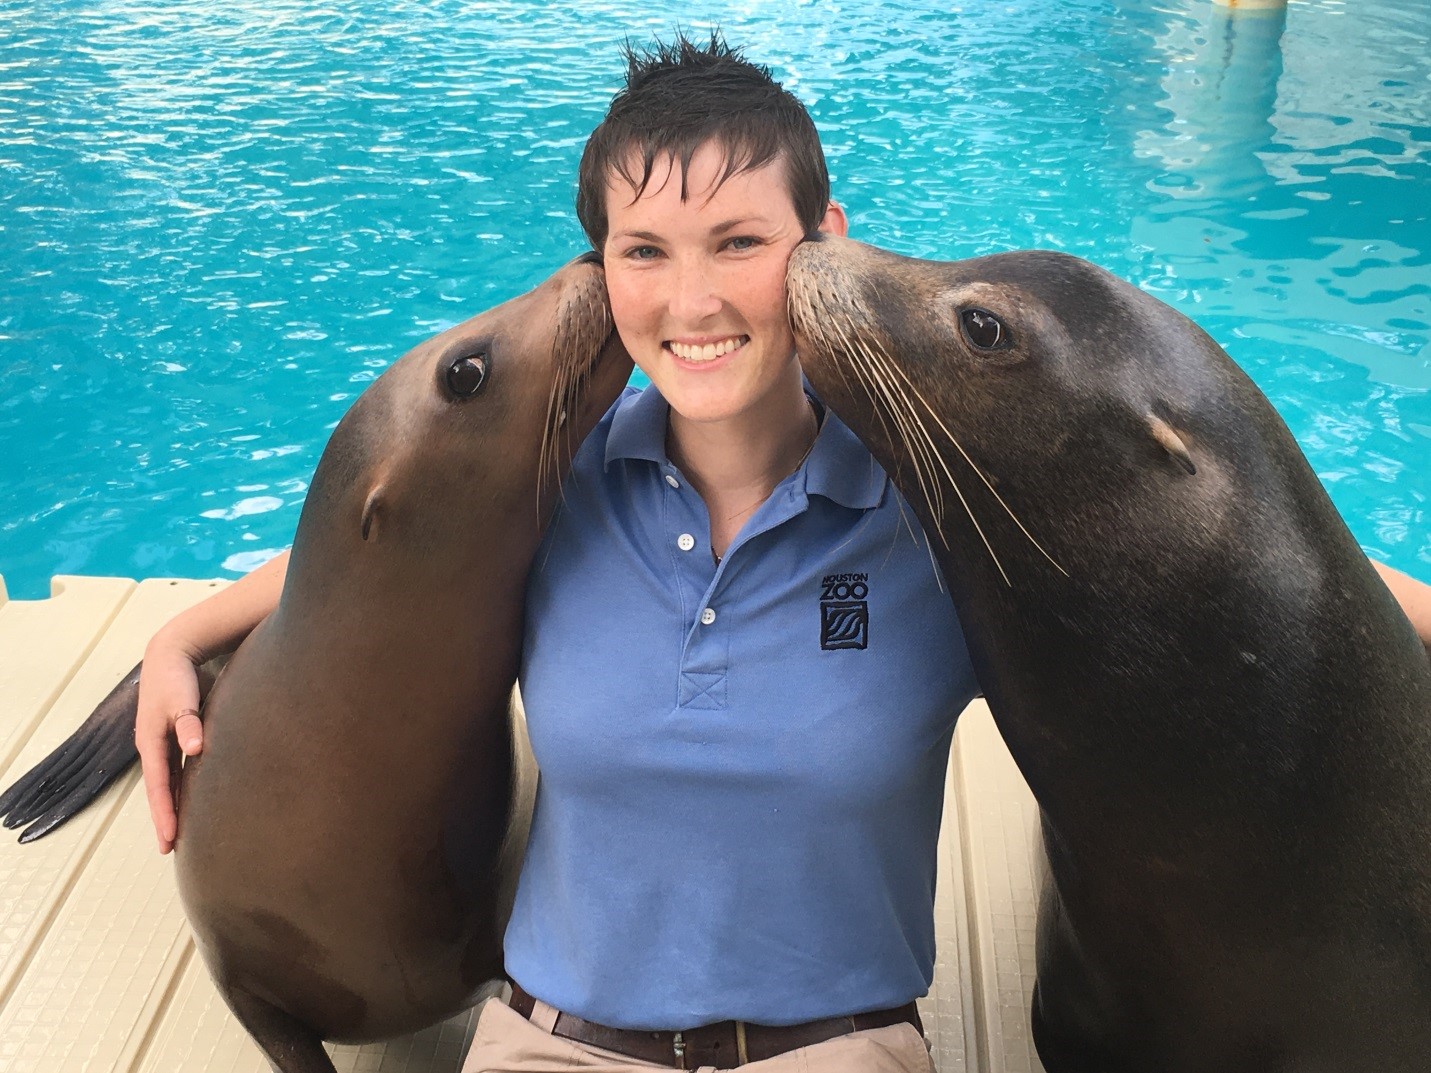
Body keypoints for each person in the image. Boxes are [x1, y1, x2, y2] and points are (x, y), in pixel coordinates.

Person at [134, 33, 1431, 1073]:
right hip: (556, 1039)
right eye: (646, 251)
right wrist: (177, 634)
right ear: (609, 269)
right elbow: (371, 567)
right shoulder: (557, 485)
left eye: (742, 243)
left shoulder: (950, 514)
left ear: (821, 237)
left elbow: (1288, 589)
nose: (693, 299)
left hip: (836, 1045)